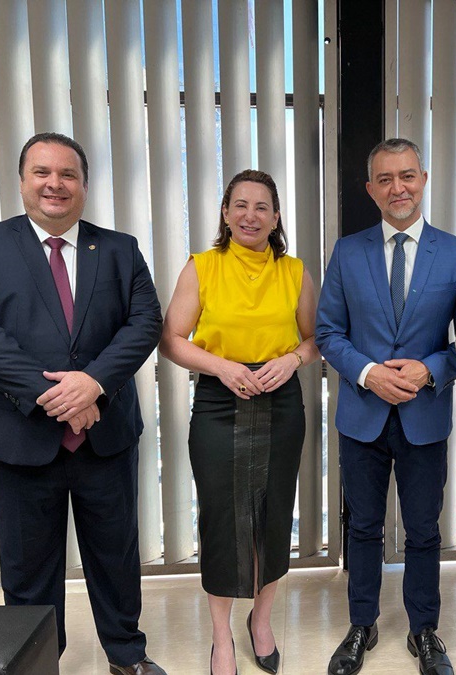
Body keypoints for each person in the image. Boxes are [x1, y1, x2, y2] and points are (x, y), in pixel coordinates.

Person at [0, 132, 165, 675]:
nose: (55, 184)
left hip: (106, 436)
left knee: (115, 557)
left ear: (84, 185)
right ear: (22, 181)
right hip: (21, 438)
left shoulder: (119, 248)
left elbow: (144, 324)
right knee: (28, 568)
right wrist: (60, 396)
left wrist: (93, 384)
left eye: (68, 174)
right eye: (41, 172)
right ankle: (37, 663)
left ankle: (126, 655)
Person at [316, 138, 456, 675]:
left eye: (407, 176)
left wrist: (430, 369)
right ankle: (362, 625)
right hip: (361, 416)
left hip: (424, 416)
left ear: (423, 180)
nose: (397, 188)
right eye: (385, 179)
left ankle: (423, 629)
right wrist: (368, 373)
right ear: (370, 189)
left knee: (423, 529)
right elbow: (328, 332)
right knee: (363, 526)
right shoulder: (347, 251)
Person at [159, 169, 318, 675]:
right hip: (218, 401)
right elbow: (172, 340)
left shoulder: (295, 272)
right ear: (226, 214)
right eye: (241, 205)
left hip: (281, 400)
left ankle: (261, 621)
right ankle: (221, 636)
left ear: (276, 218)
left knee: (274, 514)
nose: (251, 215)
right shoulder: (202, 267)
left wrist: (292, 360)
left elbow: (317, 339)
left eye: (262, 207)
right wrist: (222, 367)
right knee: (222, 519)